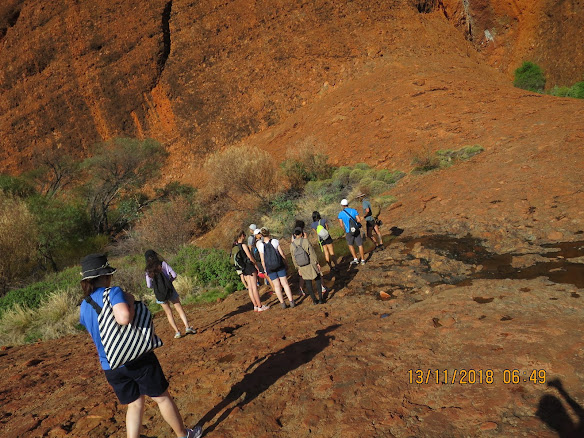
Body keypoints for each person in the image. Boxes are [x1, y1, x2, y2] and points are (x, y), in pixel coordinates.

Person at [79, 253, 202, 438]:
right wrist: (129, 300)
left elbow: (94, 335)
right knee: (161, 397)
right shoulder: (112, 292)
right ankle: (184, 435)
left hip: (110, 366)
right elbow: (124, 318)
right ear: (105, 275)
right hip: (136, 359)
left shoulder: (84, 305)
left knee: (135, 404)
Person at [145, 250, 196, 339]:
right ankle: (187, 327)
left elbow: (149, 285)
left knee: (168, 313)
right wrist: (169, 282)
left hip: (159, 294)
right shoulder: (162, 264)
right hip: (170, 289)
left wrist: (157, 287)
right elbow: (174, 275)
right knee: (179, 308)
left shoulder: (148, 270)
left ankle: (177, 332)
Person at [257, 227, 295, 309]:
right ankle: (291, 301)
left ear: (261, 235)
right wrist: (286, 263)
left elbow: (263, 261)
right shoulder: (275, 241)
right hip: (279, 265)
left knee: (277, 286)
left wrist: (265, 270)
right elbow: (282, 254)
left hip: (270, 268)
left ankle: (282, 303)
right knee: (285, 283)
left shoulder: (260, 246)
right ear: (269, 232)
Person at [235, 230, 269, 312]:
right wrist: (256, 266)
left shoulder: (235, 246)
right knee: (254, 287)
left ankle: (255, 306)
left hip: (244, 269)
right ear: (242, 235)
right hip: (249, 267)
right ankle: (260, 306)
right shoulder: (243, 245)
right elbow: (250, 257)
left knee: (250, 287)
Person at [290, 227, 325, 304]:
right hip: (311, 264)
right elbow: (312, 253)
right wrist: (317, 262)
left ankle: (314, 300)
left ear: (295, 235)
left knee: (308, 283)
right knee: (318, 279)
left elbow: (293, 258)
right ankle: (320, 299)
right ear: (302, 233)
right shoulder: (305, 241)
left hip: (302, 266)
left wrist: (298, 268)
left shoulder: (292, 245)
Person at [337, 198, 366, 265]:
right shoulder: (353, 211)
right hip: (356, 230)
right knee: (360, 244)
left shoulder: (341, 214)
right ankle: (363, 260)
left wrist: (345, 230)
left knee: (350, 245)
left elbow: (341, 225)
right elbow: (359, 220)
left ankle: (355, 259)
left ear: (342, 205)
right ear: (347, 204)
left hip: (348, 231)